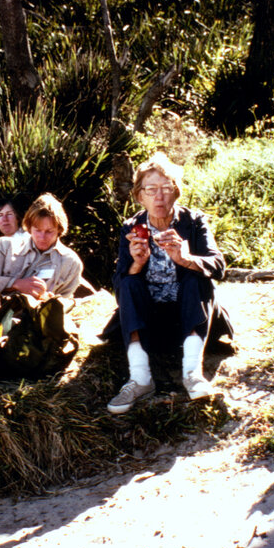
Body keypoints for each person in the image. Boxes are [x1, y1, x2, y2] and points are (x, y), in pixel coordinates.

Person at [108, 152, 232, 415]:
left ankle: (192, 373)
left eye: (166, 189)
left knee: (194, 277)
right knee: (129, 283)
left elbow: (218, 266)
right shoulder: (131, 226)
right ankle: (140, 378)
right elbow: (118, 285)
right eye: (151, 190)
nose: (159, 197)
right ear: (139, 196)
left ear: (177, 193)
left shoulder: (194, 221)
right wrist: (136, 264)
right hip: (150, 319)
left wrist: (185, 258)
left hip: (189, 315)